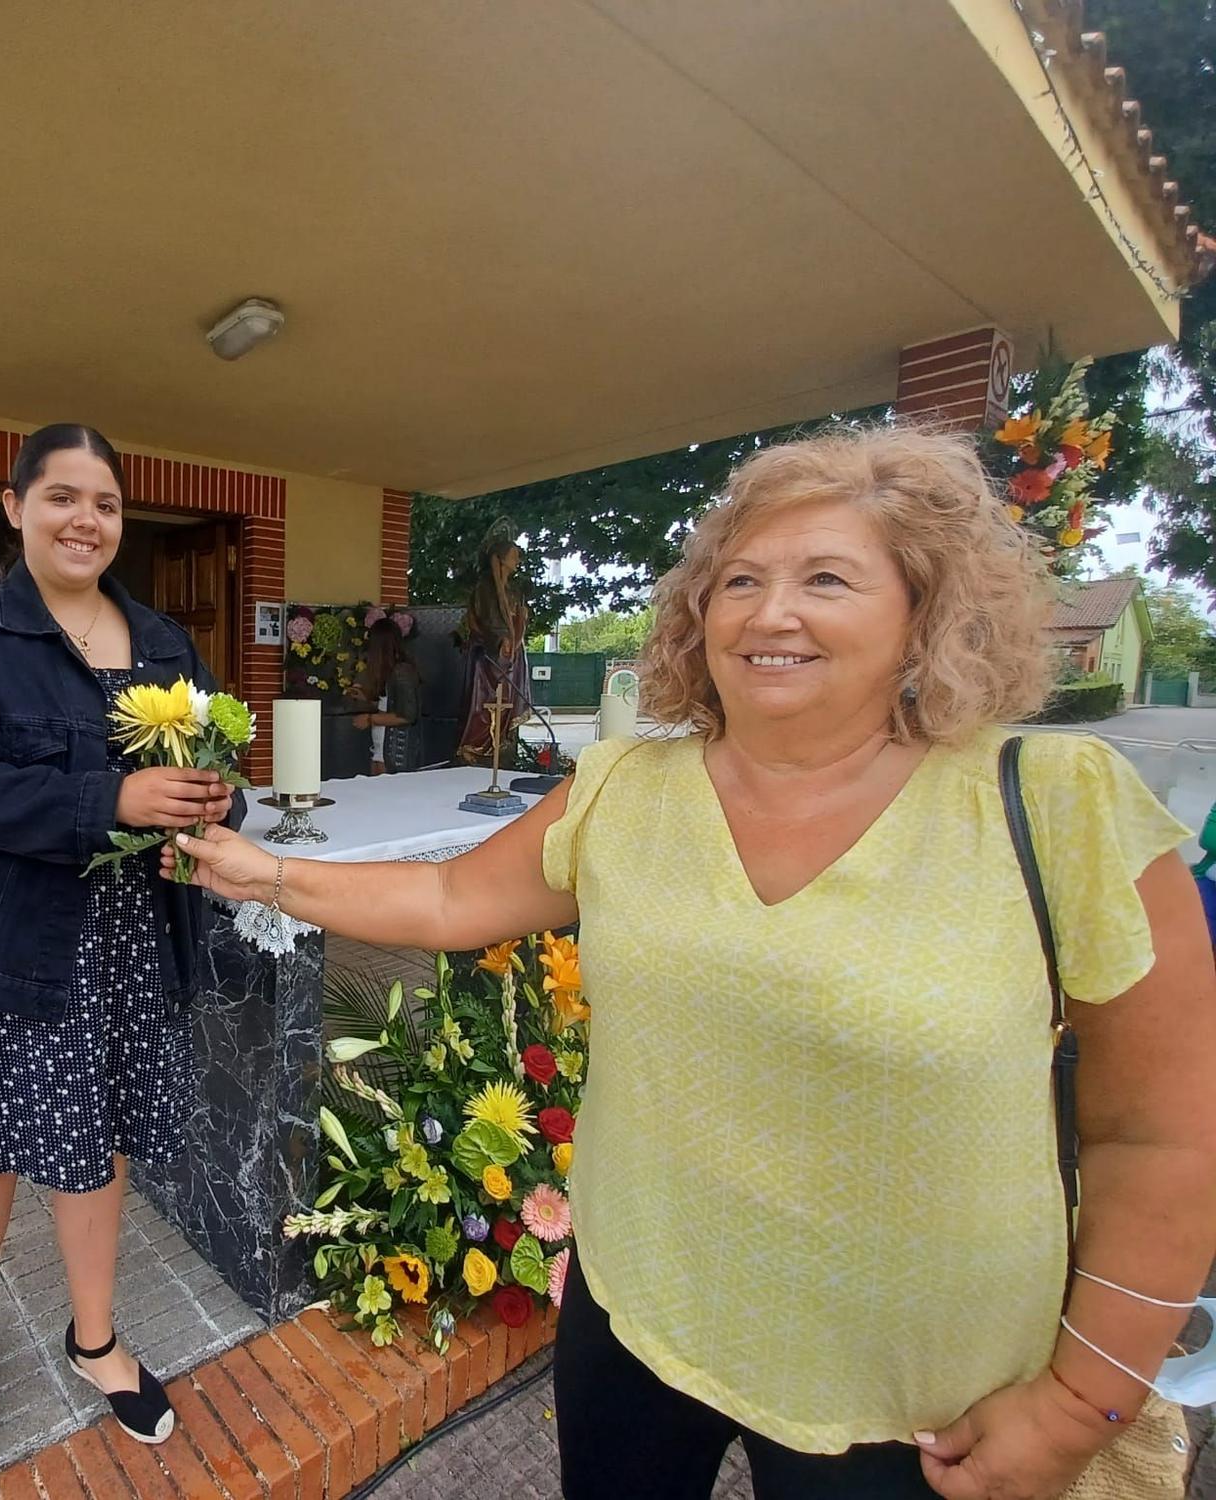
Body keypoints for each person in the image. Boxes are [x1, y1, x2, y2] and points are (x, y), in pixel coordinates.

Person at [171, 427, 1216, 1500]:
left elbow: (1159, 1136)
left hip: (917, 1401)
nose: (769, 612)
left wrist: (1079, 1401)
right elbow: (448, 896)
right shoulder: (628, 786)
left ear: (924, 608)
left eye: (825, 578)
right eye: (739, 581)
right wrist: (260, 876)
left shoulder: (1051, 802)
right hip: (635, 1322)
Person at [0, 422, 240, 1479]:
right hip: (3, 942)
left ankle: (94, 1339)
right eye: (62, 498)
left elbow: (213, 761)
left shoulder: (164, 643)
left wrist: (214, 799)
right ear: (15, 507)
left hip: (128, 943)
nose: (86, 520)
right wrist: (108, 797)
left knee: (99, 1146)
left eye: (106, 504)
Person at [454, 519, 532, 765]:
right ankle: (476, 747)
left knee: (506, 707)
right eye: (513, 555)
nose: (517, 561)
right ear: (500, 558)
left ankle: (502, 743)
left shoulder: (514, 590)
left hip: (512, 655)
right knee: (486, 705)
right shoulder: (486, 588)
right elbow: (486, 621)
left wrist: (516, 633)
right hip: (490, 657)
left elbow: (519, 618)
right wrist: (501, 641)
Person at [349, 615, 421, 774]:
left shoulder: (402, 671)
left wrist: (369, 719)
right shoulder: (390, 670)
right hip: (381, 749)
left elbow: (407, 715)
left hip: (395, 752)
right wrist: (367, 698)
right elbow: (391, 705)